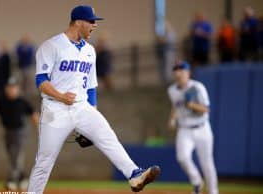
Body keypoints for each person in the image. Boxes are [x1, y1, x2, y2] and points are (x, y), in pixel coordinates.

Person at [28, 5, 160, 194]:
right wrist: (60, 96)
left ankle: (134, 174)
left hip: (82, 107)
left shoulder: (90, 51)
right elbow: (41, 81)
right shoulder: (51, 46)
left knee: (107, 135)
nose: (94, 25)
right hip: (55, 109)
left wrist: (92, 116)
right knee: (44, 162)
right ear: (78, 22)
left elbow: (91, 86)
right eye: (91, 21)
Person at [167, 61, 218, 194]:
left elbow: (206, 109)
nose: (179, 73)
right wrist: (172, 118)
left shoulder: (197, 87)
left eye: (182, 70)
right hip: (184, 129)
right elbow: (176, 106)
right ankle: (197, 181)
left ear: (188, 73)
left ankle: (213, 191)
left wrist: (191, 105)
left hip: (202, 128)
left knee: (207, 163)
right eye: (176, 70)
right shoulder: (172, 90)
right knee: (182, 158)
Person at [0, 77, 39, 190]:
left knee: (17, 154)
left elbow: (33, 114)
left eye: (13, 87)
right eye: (9, 88)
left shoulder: (22, 101)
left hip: (20, 131)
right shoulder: (2, 100)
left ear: (18, 89)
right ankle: (22, 178)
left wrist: (38, 128)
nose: (11, 90)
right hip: (7, 131)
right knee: (11, 155)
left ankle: (11, 180)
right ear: (6, 89)